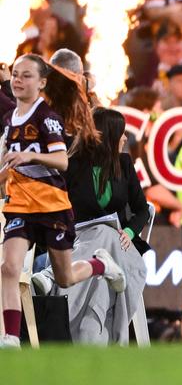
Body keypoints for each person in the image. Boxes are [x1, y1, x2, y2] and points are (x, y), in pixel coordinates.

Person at [1, 55, 125, 347]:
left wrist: (30, 156)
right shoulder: (9, 122)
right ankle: (9, 336)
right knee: (8, 267)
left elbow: (61, 161)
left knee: (66, 277)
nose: (18, 80)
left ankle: (99, 265)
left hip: (51, 206)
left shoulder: (48, 119)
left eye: (27, 76)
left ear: (42, 82)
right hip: (20, 205)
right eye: (15, 75)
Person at [28, 107, 148, 343]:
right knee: (101, 279)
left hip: (120, 245)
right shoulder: (73, 164)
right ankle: (90, 336)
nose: (125, 138)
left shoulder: (123, 163)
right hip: (78, 241)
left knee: (105, 233)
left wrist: (130, 230)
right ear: (108, 135)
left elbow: (142, 208)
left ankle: (53, 277)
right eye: (121, 133)